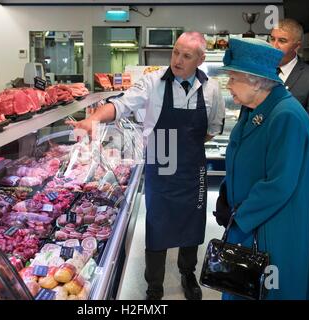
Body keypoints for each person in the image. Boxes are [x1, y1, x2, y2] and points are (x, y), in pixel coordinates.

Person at [67, 31, 225, 300]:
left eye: (186, 56)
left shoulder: (211, 88)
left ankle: (188, 274)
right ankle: (155, 286)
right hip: (161, 155)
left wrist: (186, 145)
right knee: (157, 225)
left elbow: (213, 127)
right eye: (175, 52)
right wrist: (92, 120)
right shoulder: (152, 82)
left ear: (200, 59)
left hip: (192, 165)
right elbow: (120, 106)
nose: (177, 60)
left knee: (192, 224)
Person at [213, 37, 309, 300]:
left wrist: (238, 216)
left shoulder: (286, 115)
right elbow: (242, 158)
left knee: (269, 292)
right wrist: (226, 192)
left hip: (272, 228)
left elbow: (279, 184)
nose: (228, 85)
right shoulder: (252, 108)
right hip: (250, 222)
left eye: (233, 77)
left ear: (255, 80)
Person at [269, 18, 309, 180]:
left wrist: (307, 172)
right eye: (272, 38)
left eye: (282, 41)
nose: (274, 45)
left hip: (294, 164)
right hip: (262, 162)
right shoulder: (262, 73)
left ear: (297, 46)